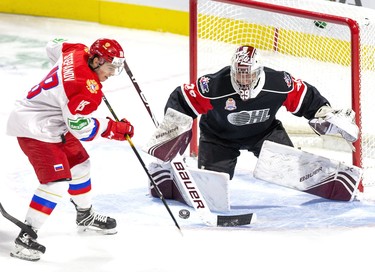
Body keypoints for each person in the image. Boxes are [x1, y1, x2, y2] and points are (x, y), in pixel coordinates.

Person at [146, 45, 359, 202]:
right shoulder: (213, 85)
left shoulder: (279, 83)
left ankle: (333, 182)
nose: (243, 79)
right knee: (211, 187)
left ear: (259, 71)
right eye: (239, 73)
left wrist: (324, 112)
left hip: (264, 134)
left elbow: (306, 99)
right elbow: (182, 99)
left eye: (249, 74)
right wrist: (171, 132)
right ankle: (166, 178)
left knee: (288, 169)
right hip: (218, 137)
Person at [6, 38, 135, 261]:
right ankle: (24, 239)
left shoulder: (78, 50)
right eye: (110, 66)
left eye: (116, 67)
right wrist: (113, 127)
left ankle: (84, 215)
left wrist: (67, 79)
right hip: (35, 128)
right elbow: (81, 128)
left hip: (55, 123)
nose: (113, 73)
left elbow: (52, 45)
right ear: (95, 60)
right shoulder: (85, 90)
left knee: (81, 165)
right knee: (56, 183)